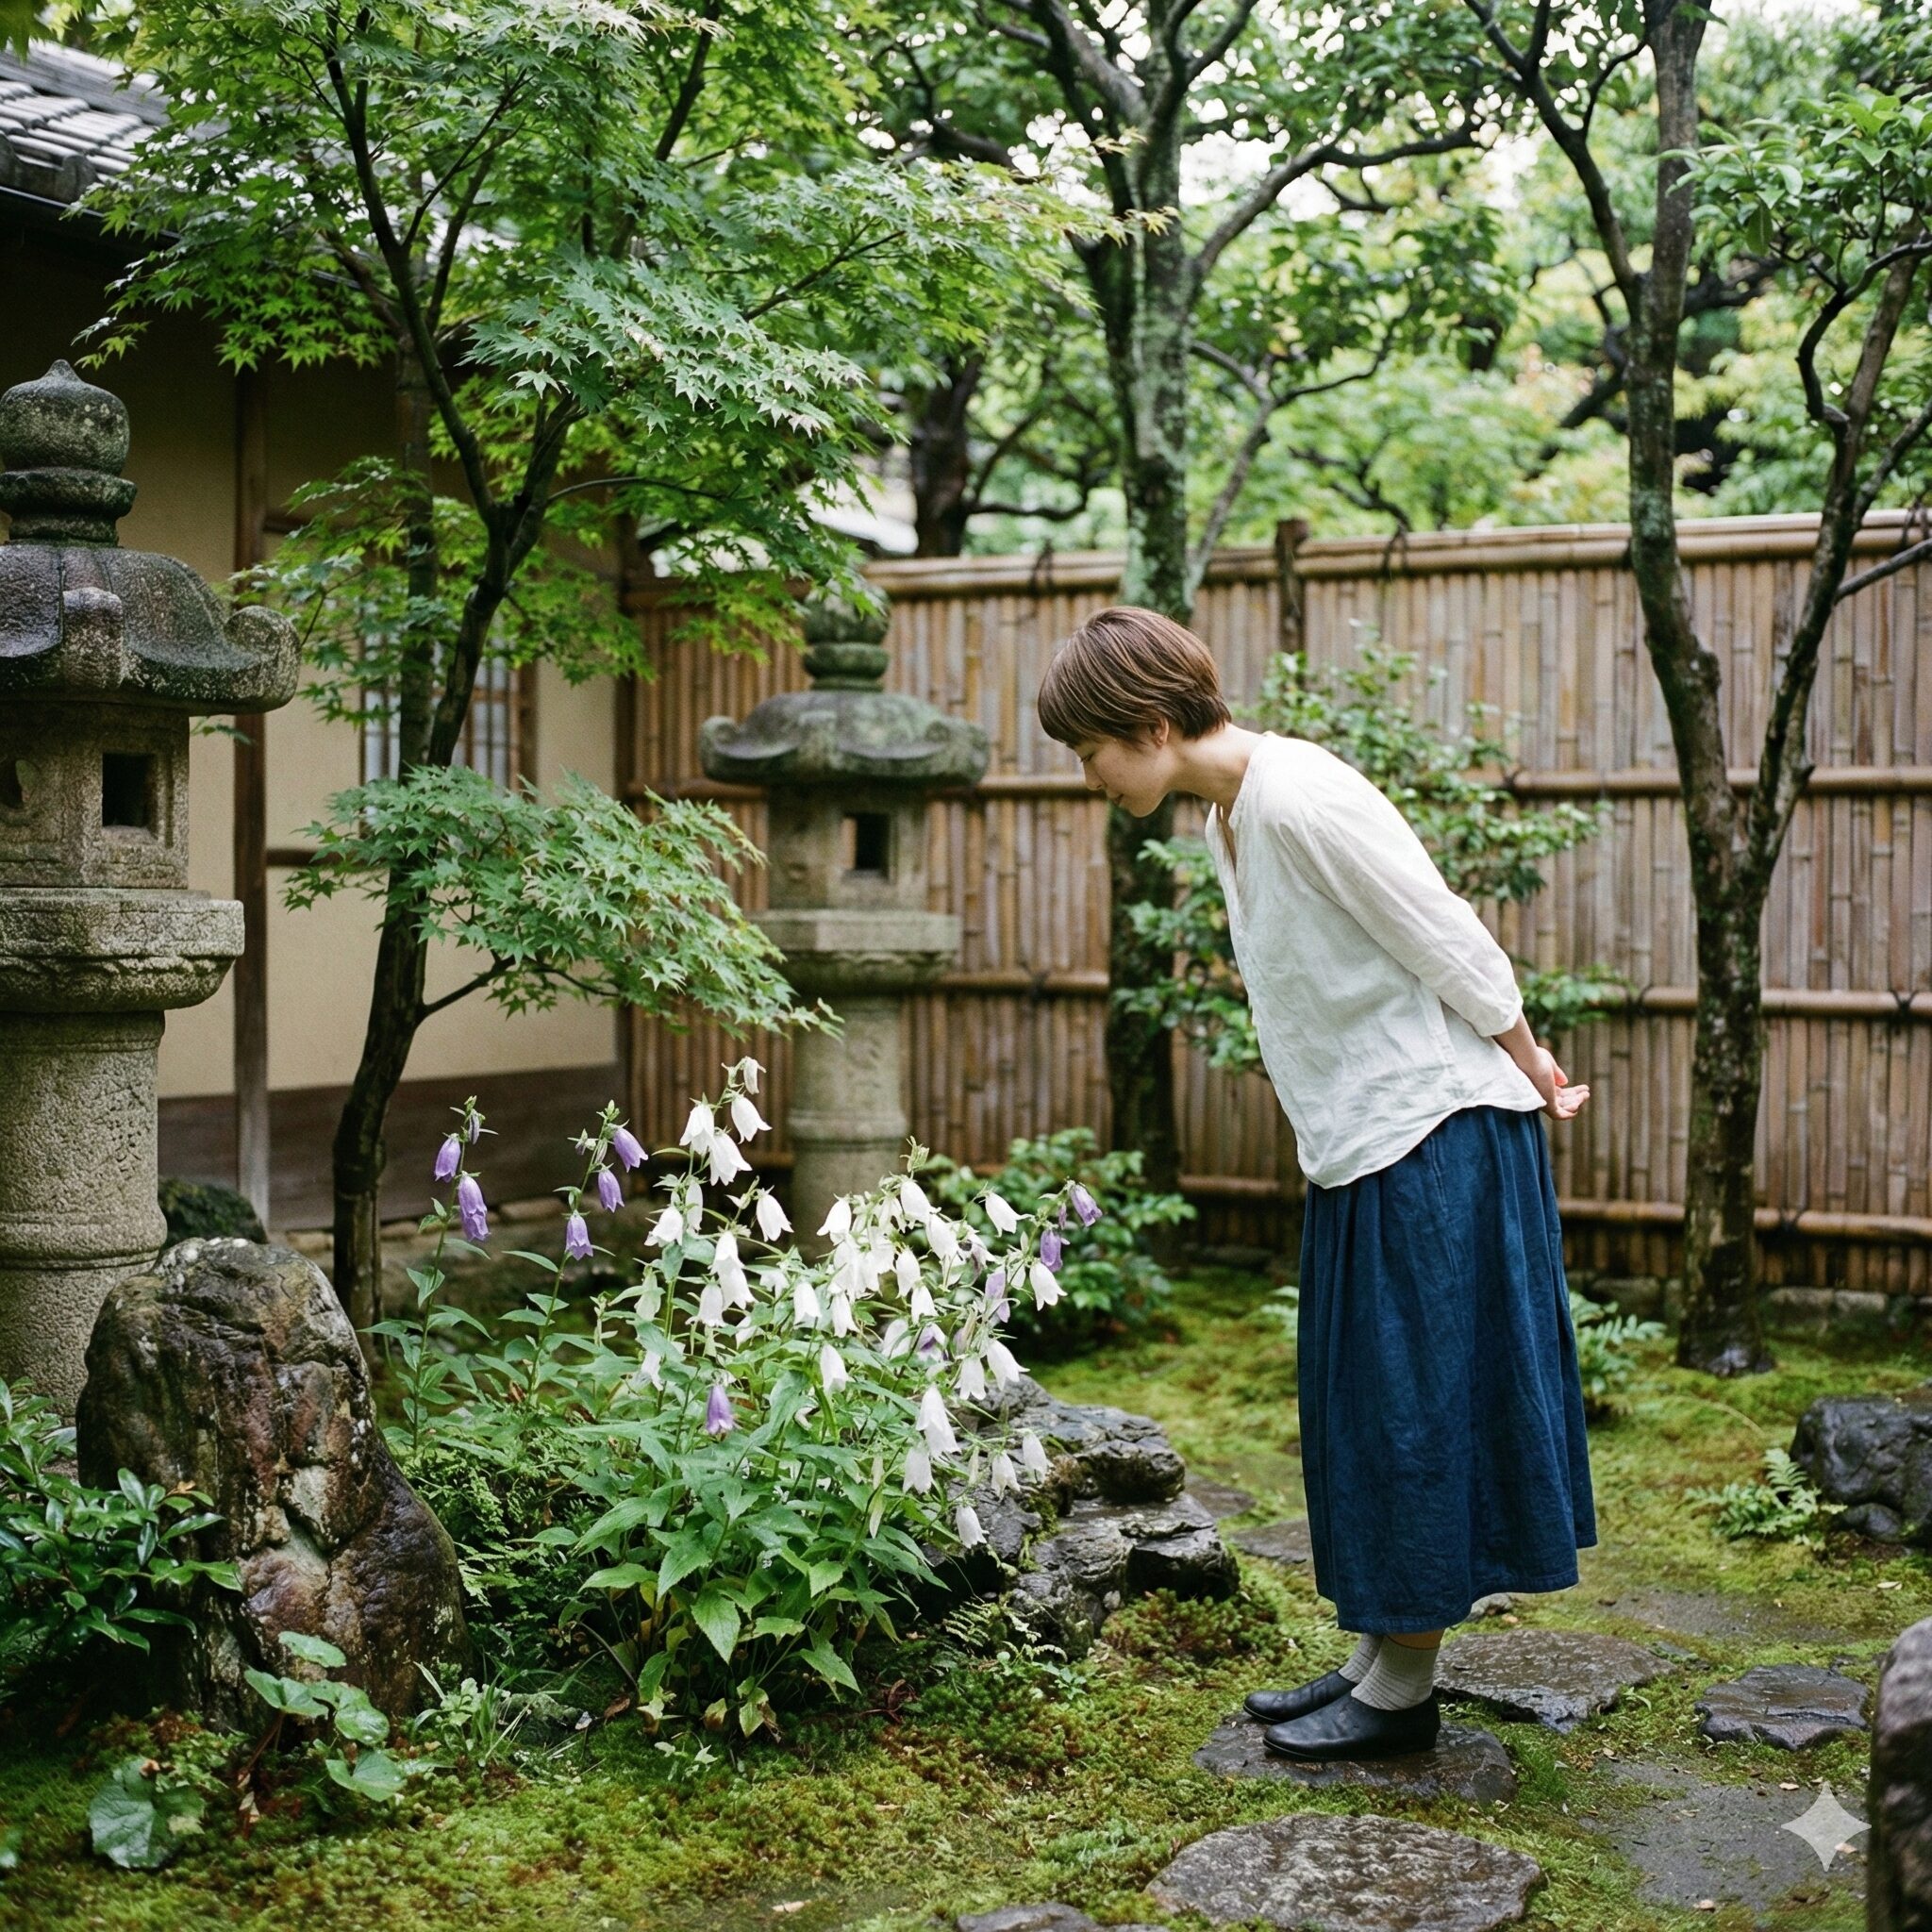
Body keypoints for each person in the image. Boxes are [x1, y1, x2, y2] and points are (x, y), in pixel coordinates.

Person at [1035, 605, 1598, 1763]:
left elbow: (1442, 932)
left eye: (1089, 752)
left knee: (1410, 1411)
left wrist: (1531, 1063)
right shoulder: (1231, 818)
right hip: (1364, 1141)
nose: (1088, 777)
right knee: (1363, 1405)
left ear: (1145, 725)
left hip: (1430, 1132)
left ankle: (1402, 1691)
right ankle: (1373, 1654)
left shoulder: (1299, 796)